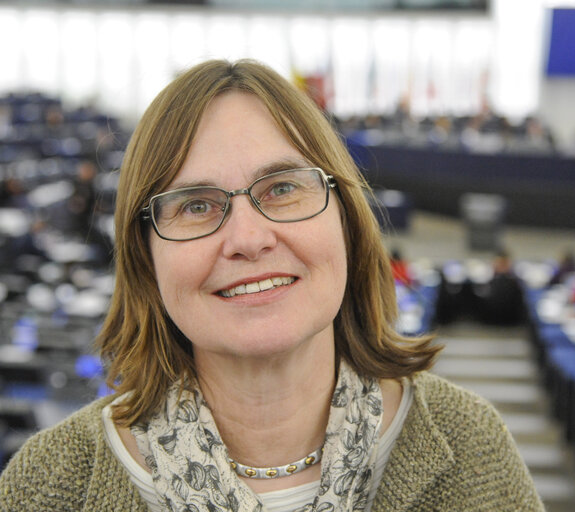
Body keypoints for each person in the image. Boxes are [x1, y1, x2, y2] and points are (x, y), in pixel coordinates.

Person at [0, 59, 544, 511]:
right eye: (196, 205)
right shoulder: (48, 486)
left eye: (282, 187)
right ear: (145, 256)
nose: (249, 238)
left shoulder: (471, 448)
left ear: (347, 222)